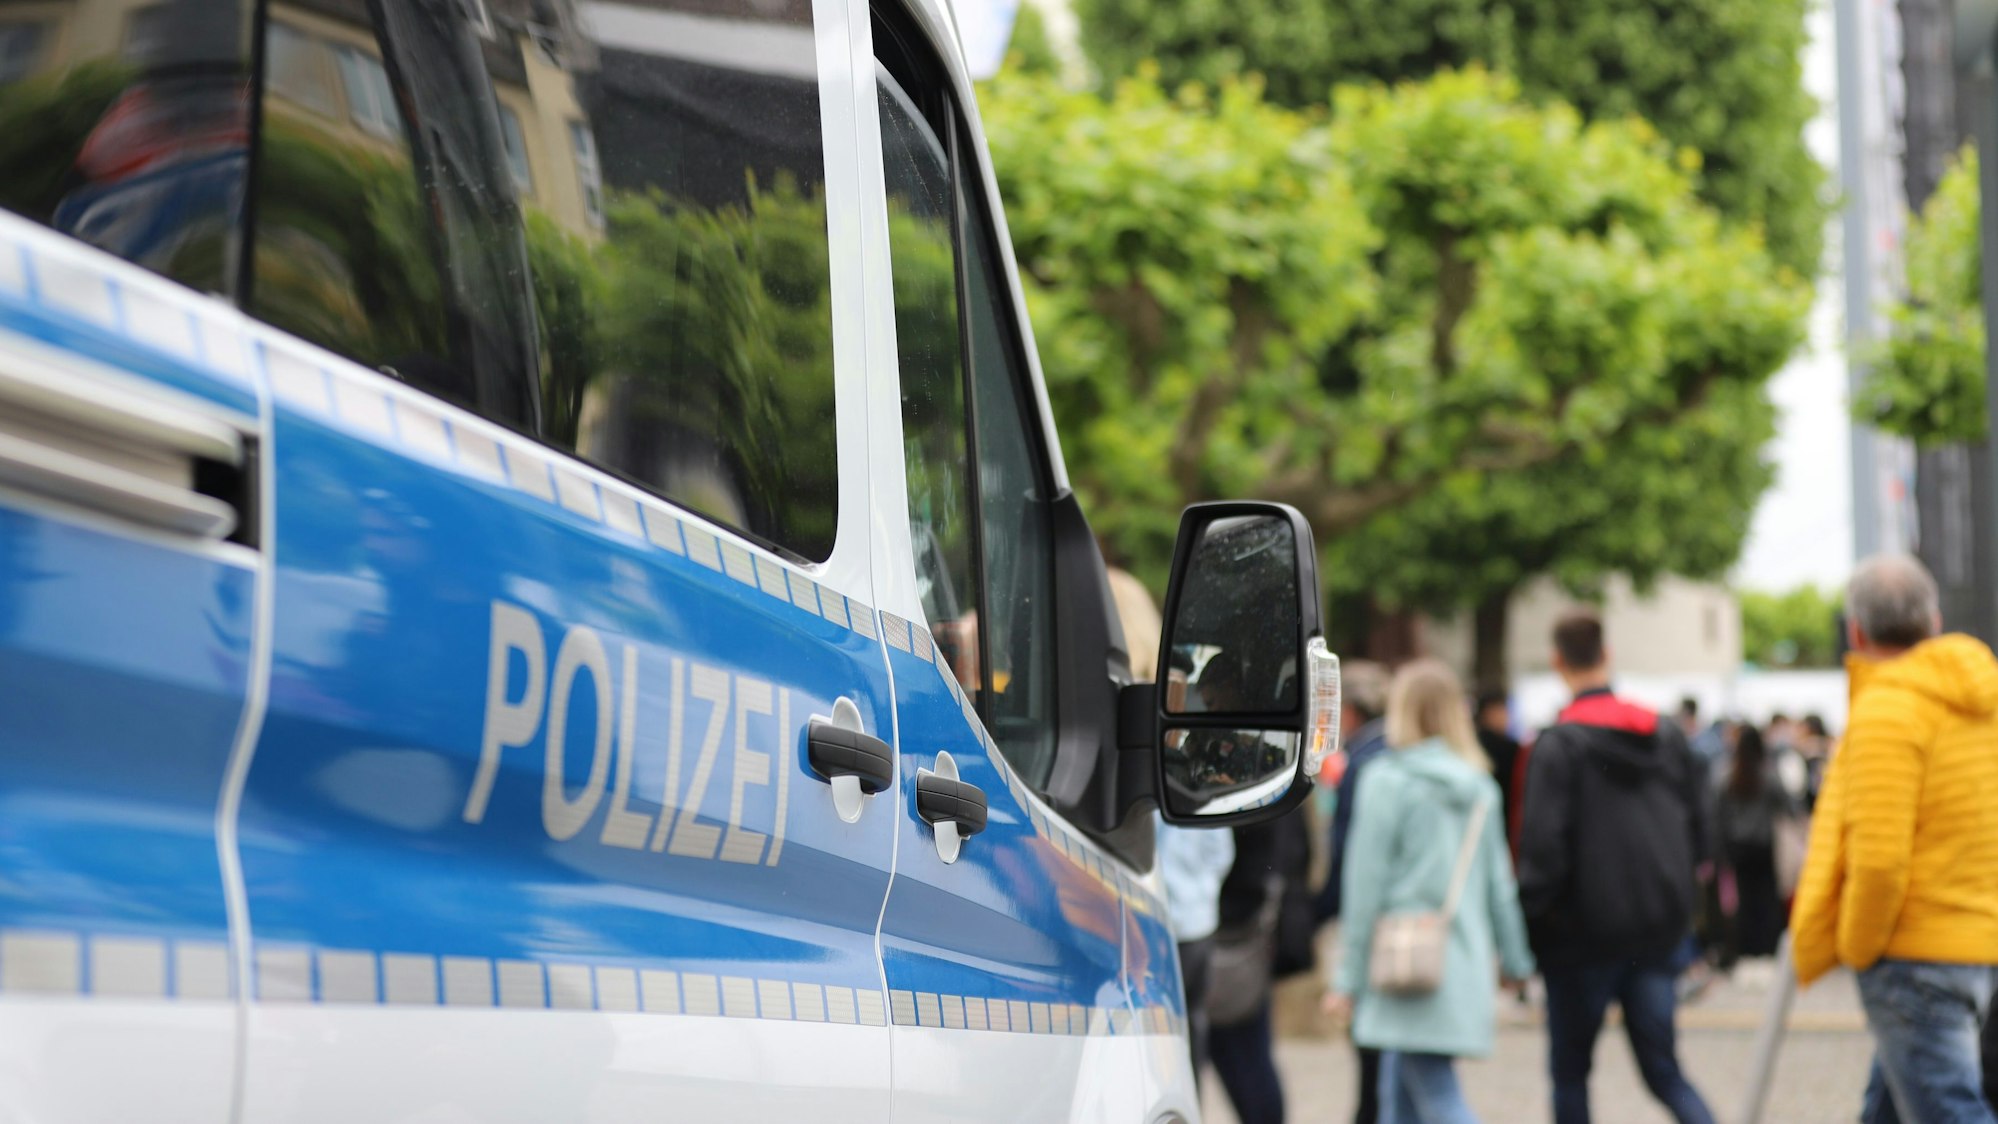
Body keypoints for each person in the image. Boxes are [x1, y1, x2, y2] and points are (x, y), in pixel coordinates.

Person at [1791, 554, 1998, 1124]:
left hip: (1913, 953)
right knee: (1886, 1110)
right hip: (1975, 943)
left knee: (1948, 1112)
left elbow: (1879, 861)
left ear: (1855, 632)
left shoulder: (1885, 709)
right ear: (1933, 621)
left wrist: (1859, 947)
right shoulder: (1981, 700)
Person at [1516, 609, 1715, 1124]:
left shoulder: (1557, 745)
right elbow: (1702, 830)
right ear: (1607, 654)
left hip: (1577, 940)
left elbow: (1542, 851)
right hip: (1655, 932)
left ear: (1558, 661)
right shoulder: (1667, 735)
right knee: (1665, 1072)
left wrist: (1530, 930)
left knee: (1570, 1076)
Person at [1324, 660, 1535, 1124]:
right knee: (1398, 1099)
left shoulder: (1385, 780)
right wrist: (1517, 963)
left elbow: (1364, 889)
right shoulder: (1480, 786)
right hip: (1458, 962)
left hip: (1403, 961)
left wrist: (1347, 978)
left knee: (1437, 1100)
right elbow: (1500, 888)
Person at [1314, 659, 1391, 1124]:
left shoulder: (1364, 761)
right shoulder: (1398, 749)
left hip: (1372, 920)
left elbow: (1349, 854)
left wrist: (1319, 909)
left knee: (1371, 1048)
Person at [1211, 805, 1316, 1124]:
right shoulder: (1281, 783)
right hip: (1257, 931)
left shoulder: (1248, 790)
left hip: (1236, 933)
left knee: (1245, 1054)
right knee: (1250, 1052)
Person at [1158, 816, 1234, 1091]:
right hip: (1183, 919)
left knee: (1187, 1024)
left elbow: (1221, 855)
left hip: (1187, 925)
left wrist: (1197, 895)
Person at [1712, 725, 1791, 961]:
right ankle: (1766, 949)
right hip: (1763, 846)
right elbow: (1789, 807)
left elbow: (1717, 815)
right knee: (1766, 900)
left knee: (1744, 901)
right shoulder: (1769, 775)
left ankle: (1746, 950)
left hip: (1737, 848)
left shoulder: (1726, 776)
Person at [1475, 689, 1522, 840]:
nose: (1506, 716)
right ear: (1487, 713)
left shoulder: (1470, 745)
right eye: (1501, 710)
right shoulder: (1509, 749)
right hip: (1504, 820)